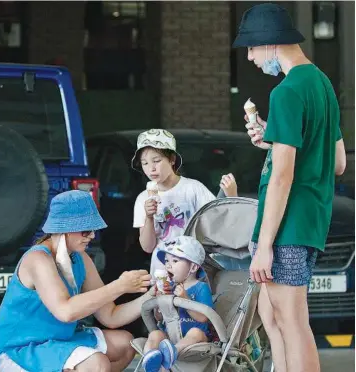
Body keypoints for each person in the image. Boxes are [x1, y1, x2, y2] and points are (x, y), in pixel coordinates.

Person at [232, 4, 347, 372]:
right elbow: (338, 162)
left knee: (292, 322)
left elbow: (282, 177)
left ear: (270, 42)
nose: (249, 57)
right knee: (273, 315)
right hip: (310, 218)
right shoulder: (322, 84)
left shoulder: (287, 91)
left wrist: (264, 246)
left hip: (287, 224)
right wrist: (274, 140)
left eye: (251, 48)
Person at [0, 190, 154, 372]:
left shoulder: (81, 258)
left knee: (126, 344)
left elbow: (110, 316)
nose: (92, 236)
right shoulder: (38, 259)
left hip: (57, 340)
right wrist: (120, 286)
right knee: (96, 363)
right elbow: (65, 311)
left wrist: (151, 295)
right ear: (64, 228)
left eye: (93, 230)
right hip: (18, 349)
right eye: (86, 230)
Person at [131, 129, 238, 276]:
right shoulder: (143, 199)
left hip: (194, 271)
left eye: (157, 161)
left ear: (172, 159)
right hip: (162, 271)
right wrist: (149, 217)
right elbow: (147, 247)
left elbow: (218, 225)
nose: (151, 168)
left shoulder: (193, 189)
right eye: (145, 163)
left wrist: (231, 195)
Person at [139, 236, 213, 372]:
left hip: (195, 340)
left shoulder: (201, 287)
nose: (168, 265)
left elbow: (204, 318)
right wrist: (160, 302)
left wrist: (185, 299)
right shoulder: (169, 288)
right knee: (155, 334)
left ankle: (171, 353)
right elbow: (159, 318)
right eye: (166, 260)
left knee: (195, 332)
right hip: (171, 336)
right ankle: (150, 359)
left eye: (175, 261)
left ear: (193, 267)